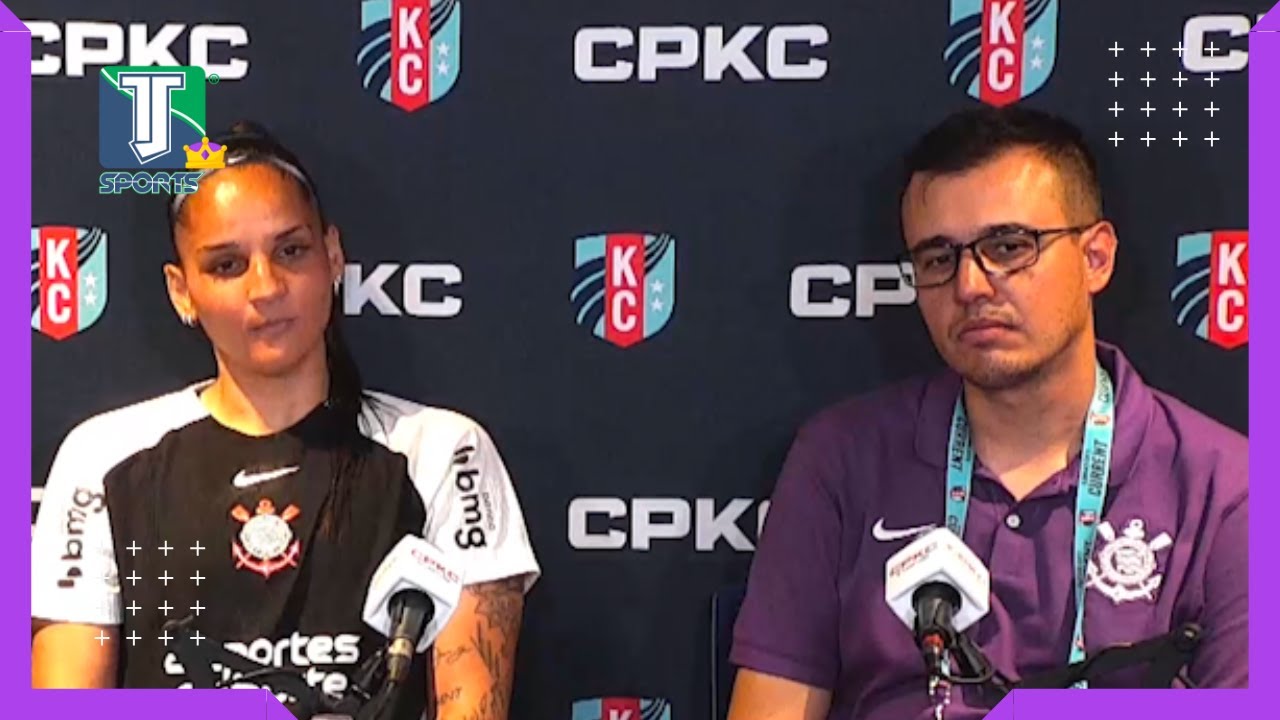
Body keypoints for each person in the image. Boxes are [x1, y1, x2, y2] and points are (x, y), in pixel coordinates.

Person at [726, 106, 1248, 719]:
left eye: (1008, 247)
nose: (970, 285)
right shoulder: (839, 458)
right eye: (938, 259)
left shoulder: (1230, 490)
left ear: (1095, 258)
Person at [30, 121, 541, 720]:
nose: (266, 287)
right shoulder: (103, 460)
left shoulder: (443, 453)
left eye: (290, 251)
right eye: (227, 265)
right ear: (181, 291)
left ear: (333, 255)